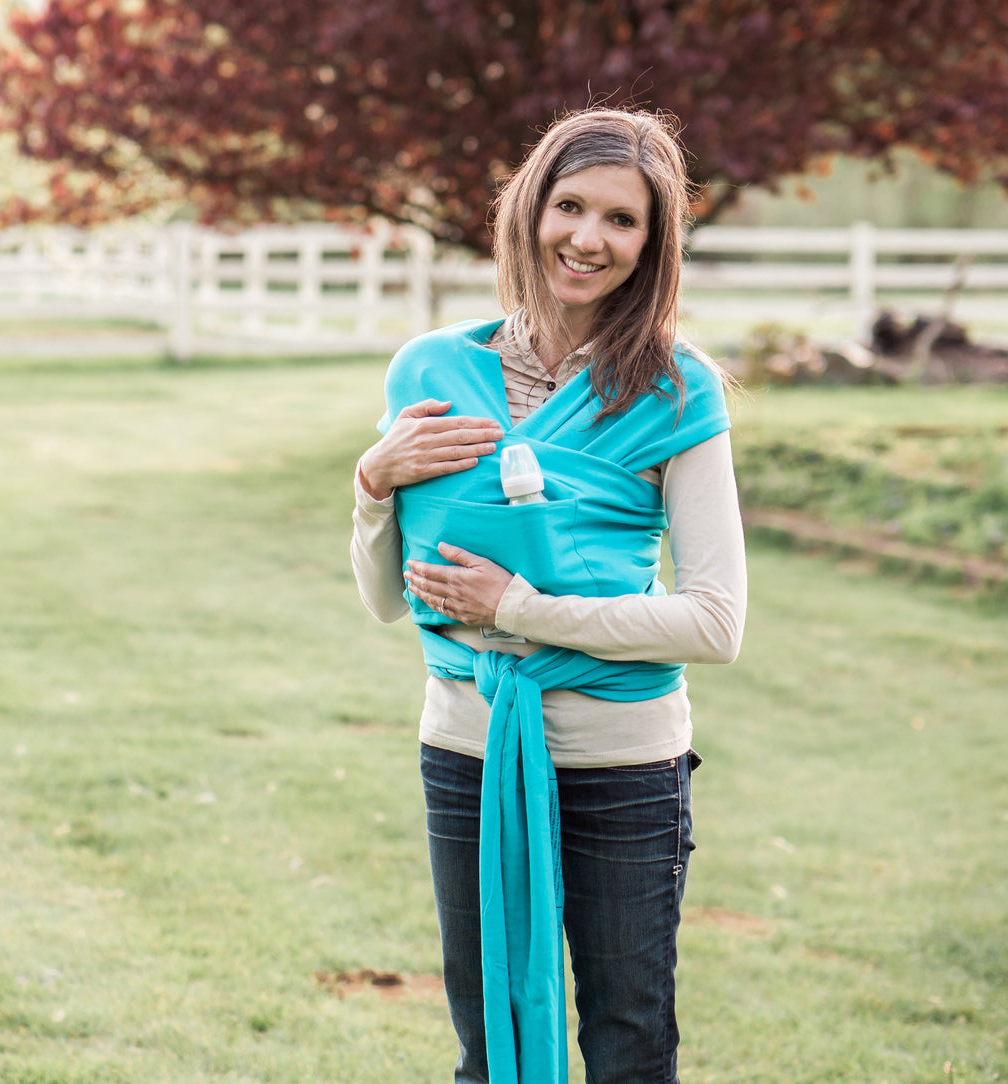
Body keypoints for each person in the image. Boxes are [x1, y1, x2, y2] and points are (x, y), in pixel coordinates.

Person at [349, 108, 746, 1084]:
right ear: (529, 208)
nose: (586, 237)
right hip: (467, 745)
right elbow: (386, 601)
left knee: (626, 1043)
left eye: (621, 220)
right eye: (569, 205)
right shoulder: (431, 371)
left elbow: (713, 621)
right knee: (488, 1041)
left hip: (621, 762)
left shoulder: (674, 391)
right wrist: (371, 481)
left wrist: (517, 609)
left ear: (651, 244)